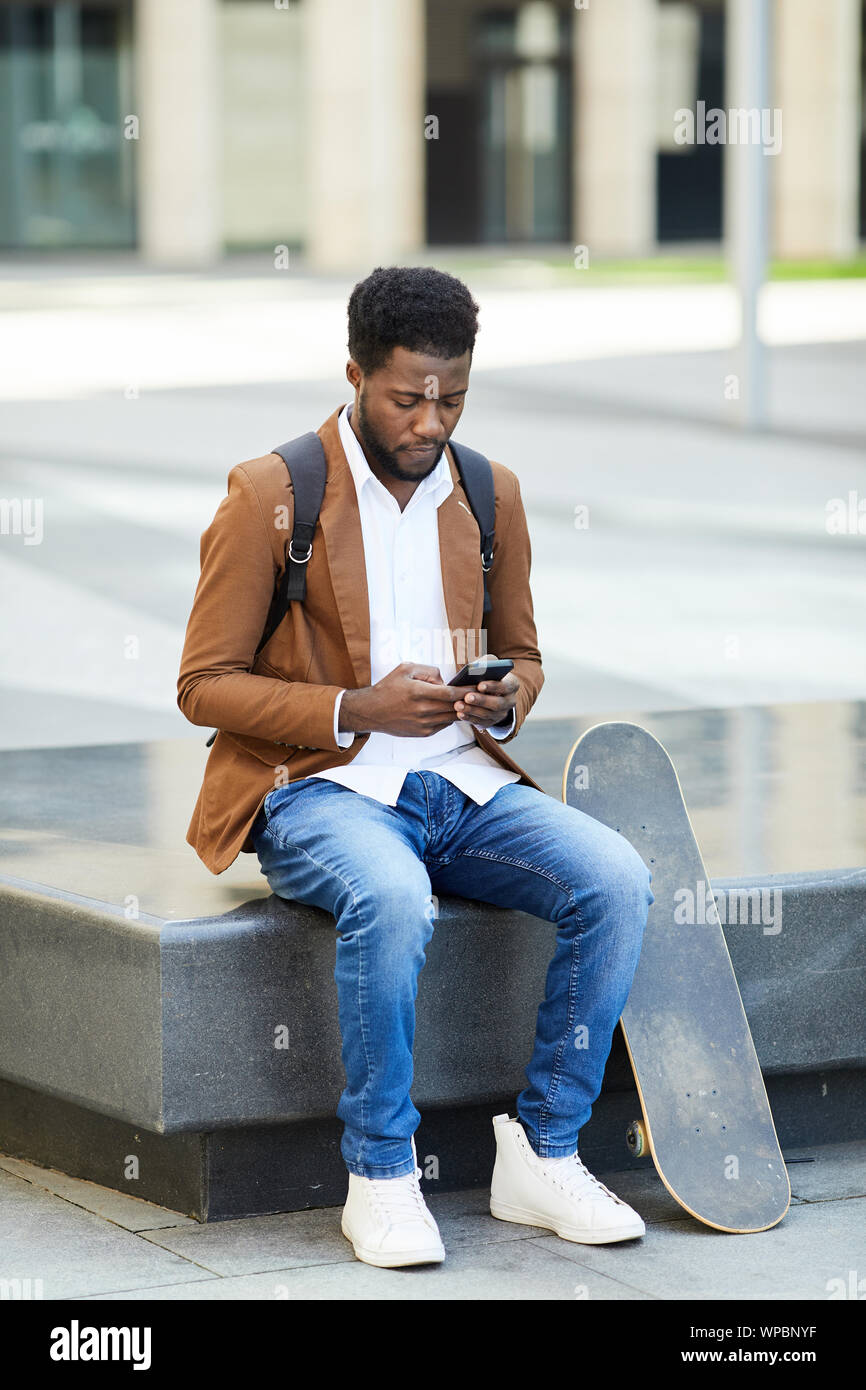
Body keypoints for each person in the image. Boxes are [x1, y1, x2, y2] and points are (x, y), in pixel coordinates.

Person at [177, 265, 654, 1269]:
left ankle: (543, 1151)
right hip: (318, 788)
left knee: (616, 877)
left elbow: (523, 654)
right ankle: (383, 1174)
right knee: (392, 899)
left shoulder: (489, 492)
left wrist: (504, 695)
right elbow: (202, 685)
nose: (431, 419)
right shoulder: (273, 493)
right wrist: (355, 707)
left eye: (453, 396)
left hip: (460, 782)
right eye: (407, 396)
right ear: (354, 373)